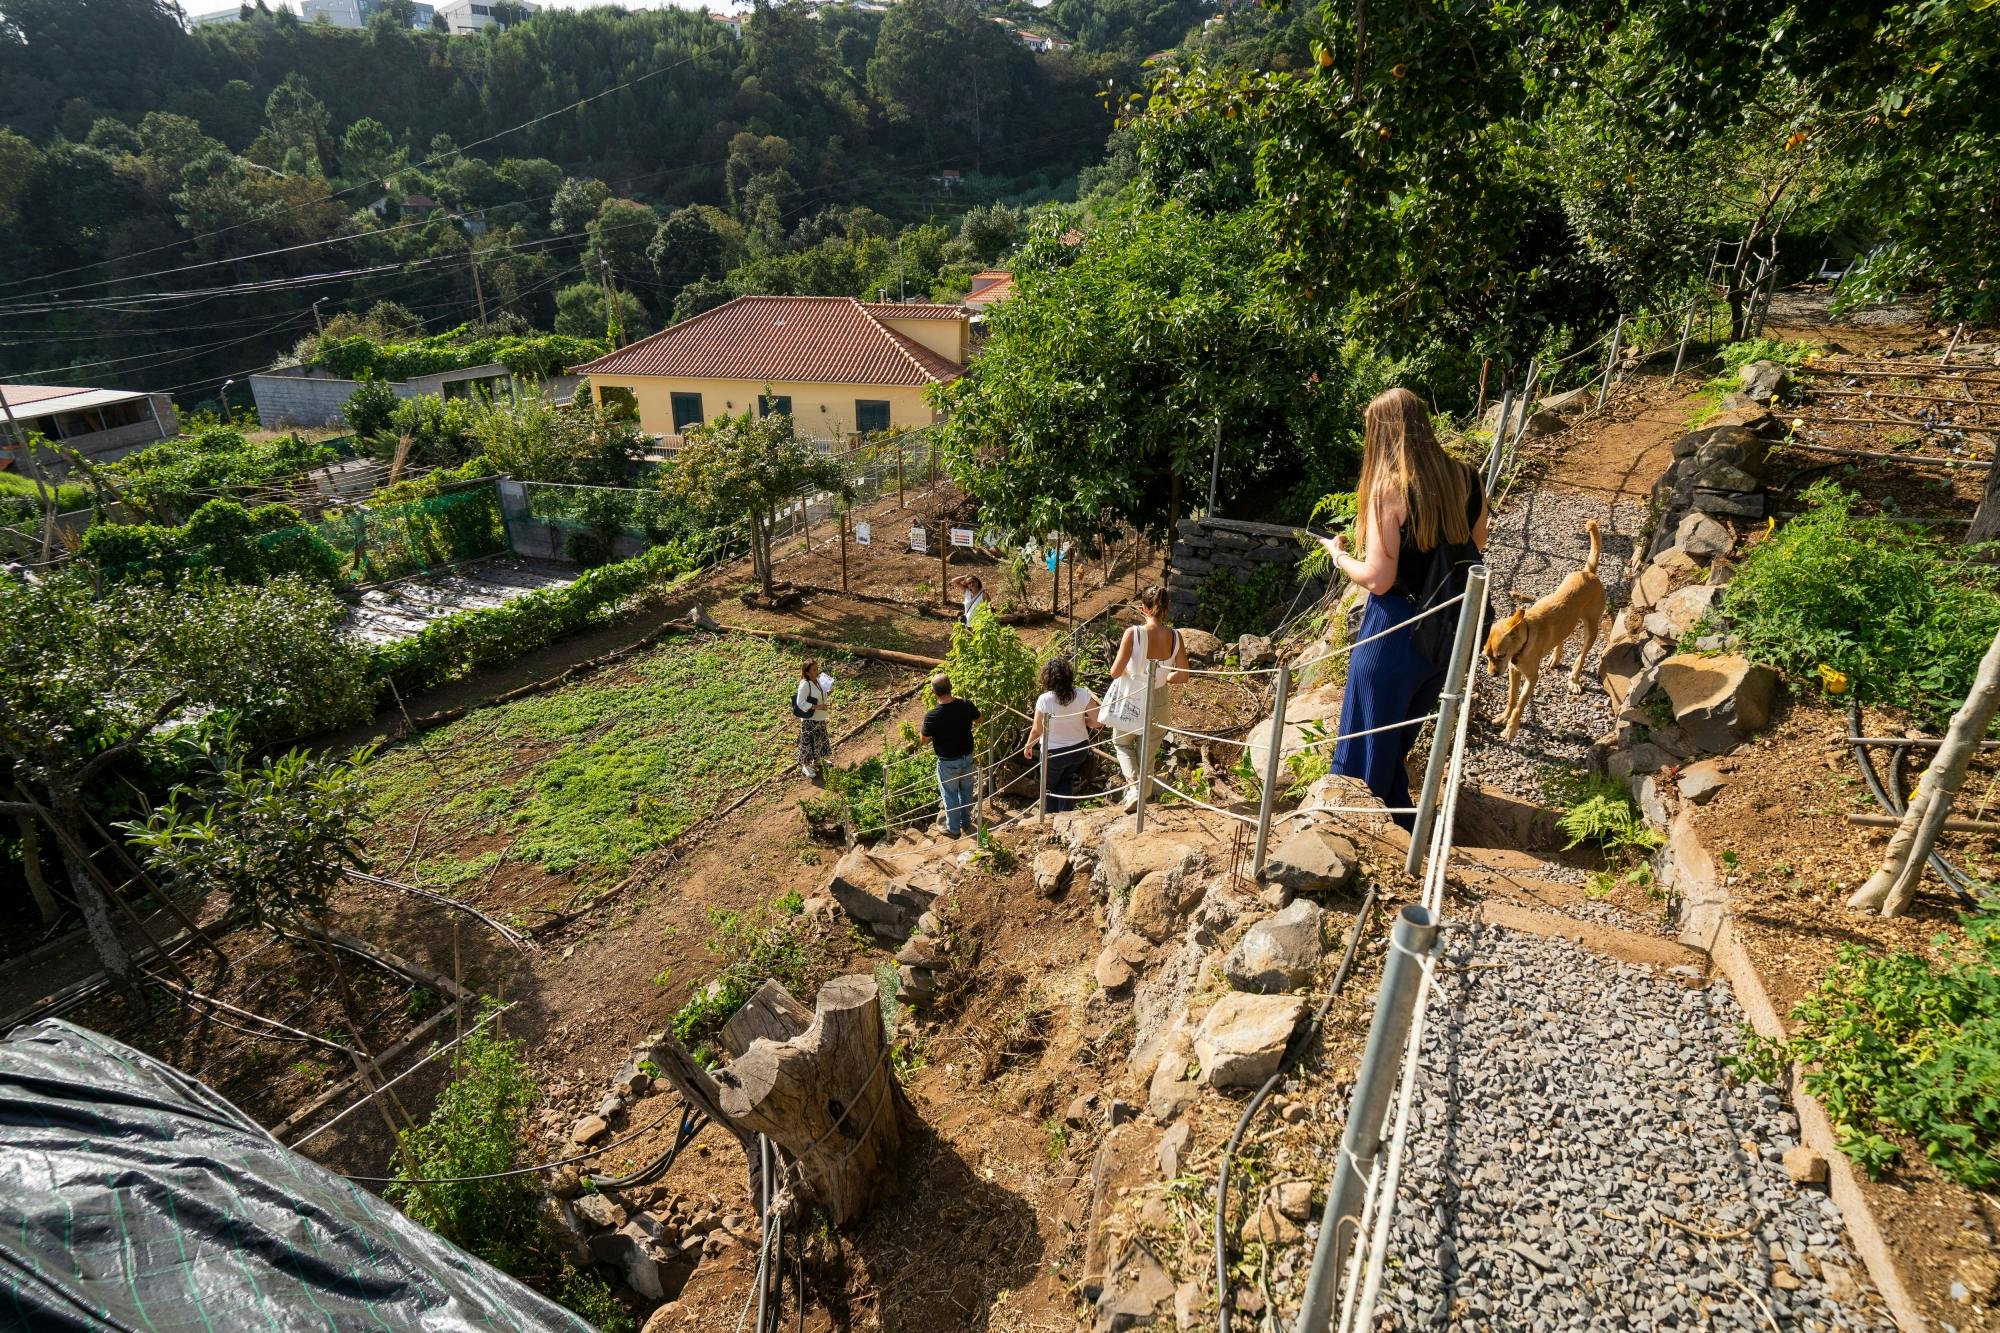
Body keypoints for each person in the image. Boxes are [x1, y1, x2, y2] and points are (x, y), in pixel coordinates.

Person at [1319, 386, 1489, 827]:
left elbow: (1378, 577)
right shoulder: (1467, 478)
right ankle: (1402, 827)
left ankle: (1363, 835)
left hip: (1393, 629)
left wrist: (1338, 555)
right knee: (1395, 741)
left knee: (1368, 744)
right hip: (1443, 633)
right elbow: (1476, 545)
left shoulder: (1389, 490)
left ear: (1381, 433)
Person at [1104, 585, 1190, 809]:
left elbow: (1115, 671)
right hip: (1159, 698)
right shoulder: (1175, 636)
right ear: (1166, 609)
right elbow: (1182, 675)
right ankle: (1143, 795)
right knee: (1148, 754)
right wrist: (1165, 678)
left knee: (1121, 743)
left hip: (1133, 695)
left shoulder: (1133, 633)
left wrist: (1130, 675)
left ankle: (1134, 788)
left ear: (1143, 608)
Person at [1021, 656, 1098, 812]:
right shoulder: (1082, 694)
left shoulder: (1044, 700)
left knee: (1048, 786)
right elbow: (1097, 722)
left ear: (1047, 678)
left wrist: (1028, 746)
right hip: (1079, 749)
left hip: (1054, 753)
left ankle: (1049, 818)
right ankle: (1065, 814)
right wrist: (1083, 721)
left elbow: (1037, 730)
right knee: (1066, 780)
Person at [921, 673, 982, 837]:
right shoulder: (965, 705)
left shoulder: (932, 715)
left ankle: (954, 829)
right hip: (967, 757)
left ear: (934, 692)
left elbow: (924, 740)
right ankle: (965, 822)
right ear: (951, 687)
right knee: (967, 790)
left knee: (950, 795)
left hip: (948, 763)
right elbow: (979, 719)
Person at [793, 659, 831, 781]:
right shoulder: (805, 684)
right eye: (814, 669)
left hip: (819, 716)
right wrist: (817, 706)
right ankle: (806, 765)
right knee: (808, 742)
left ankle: (818, 760)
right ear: (807, 672)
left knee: (820, 739)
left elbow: (820, 694)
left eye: (817, 668)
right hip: (810, 719)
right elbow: (800, 702)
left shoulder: (818, 681)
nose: (817, 671)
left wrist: (827, 693)